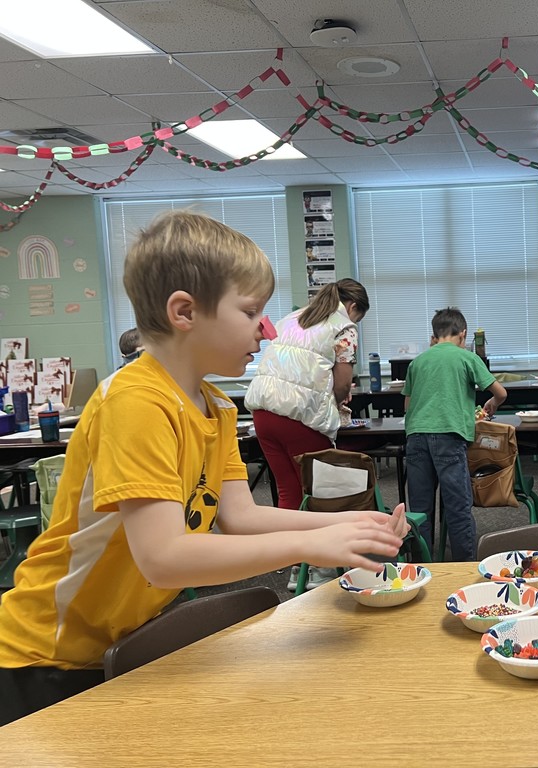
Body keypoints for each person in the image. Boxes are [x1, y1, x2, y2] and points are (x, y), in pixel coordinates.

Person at [0, 212, 407, 727]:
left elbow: (240, 517)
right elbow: (165, 558)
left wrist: (345, 524)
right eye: (250, 311)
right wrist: (310, 545)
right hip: (45, 656)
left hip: (122, 641)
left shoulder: (216, 406)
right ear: (185, 311)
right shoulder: (137, 400)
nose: (265, 328)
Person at [245, 278, 370, 590]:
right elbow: (342, 384)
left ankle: (295, 568)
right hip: (300, 416)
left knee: (289, 490)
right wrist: (340, 402)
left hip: (262, 411)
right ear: (353, 307)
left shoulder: (293, 317)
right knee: (321, 493)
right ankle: (321, 570)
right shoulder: (343, 326)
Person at [403, 308, 507, 560]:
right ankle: (465, 568)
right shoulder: (467, 358)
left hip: (416, 437)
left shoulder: (417, 362)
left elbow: (408, 407)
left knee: (419, 509)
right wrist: (491, 403)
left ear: (434, 335)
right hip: (449, 438)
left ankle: (420, 567)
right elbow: (501, 393)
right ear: (463, 334)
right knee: (457, 507)